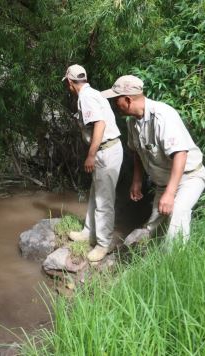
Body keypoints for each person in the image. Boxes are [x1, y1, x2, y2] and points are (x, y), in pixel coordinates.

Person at [101, 75, 205, 249]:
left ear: (127, 100)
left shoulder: (163, 116)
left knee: (178, 215)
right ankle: (149, 260)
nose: (113, 104)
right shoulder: (132, 122)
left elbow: (180, 154)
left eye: (115, 99)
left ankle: (175, 266)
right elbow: (137, 151)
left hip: (189, 178)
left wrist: (171, 193)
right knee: (153, 227)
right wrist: (137, 181)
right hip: (163, 182)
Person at [62, 64, 123, 262]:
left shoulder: (86, 97)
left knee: (104, 201)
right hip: (107, 149)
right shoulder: (92, 93)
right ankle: (88, 232)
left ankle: (103, 244)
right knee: (96, 194)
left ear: (70, 83)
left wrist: (91, 154)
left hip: (106, 151)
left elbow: (100, 123)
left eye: (68, 83)